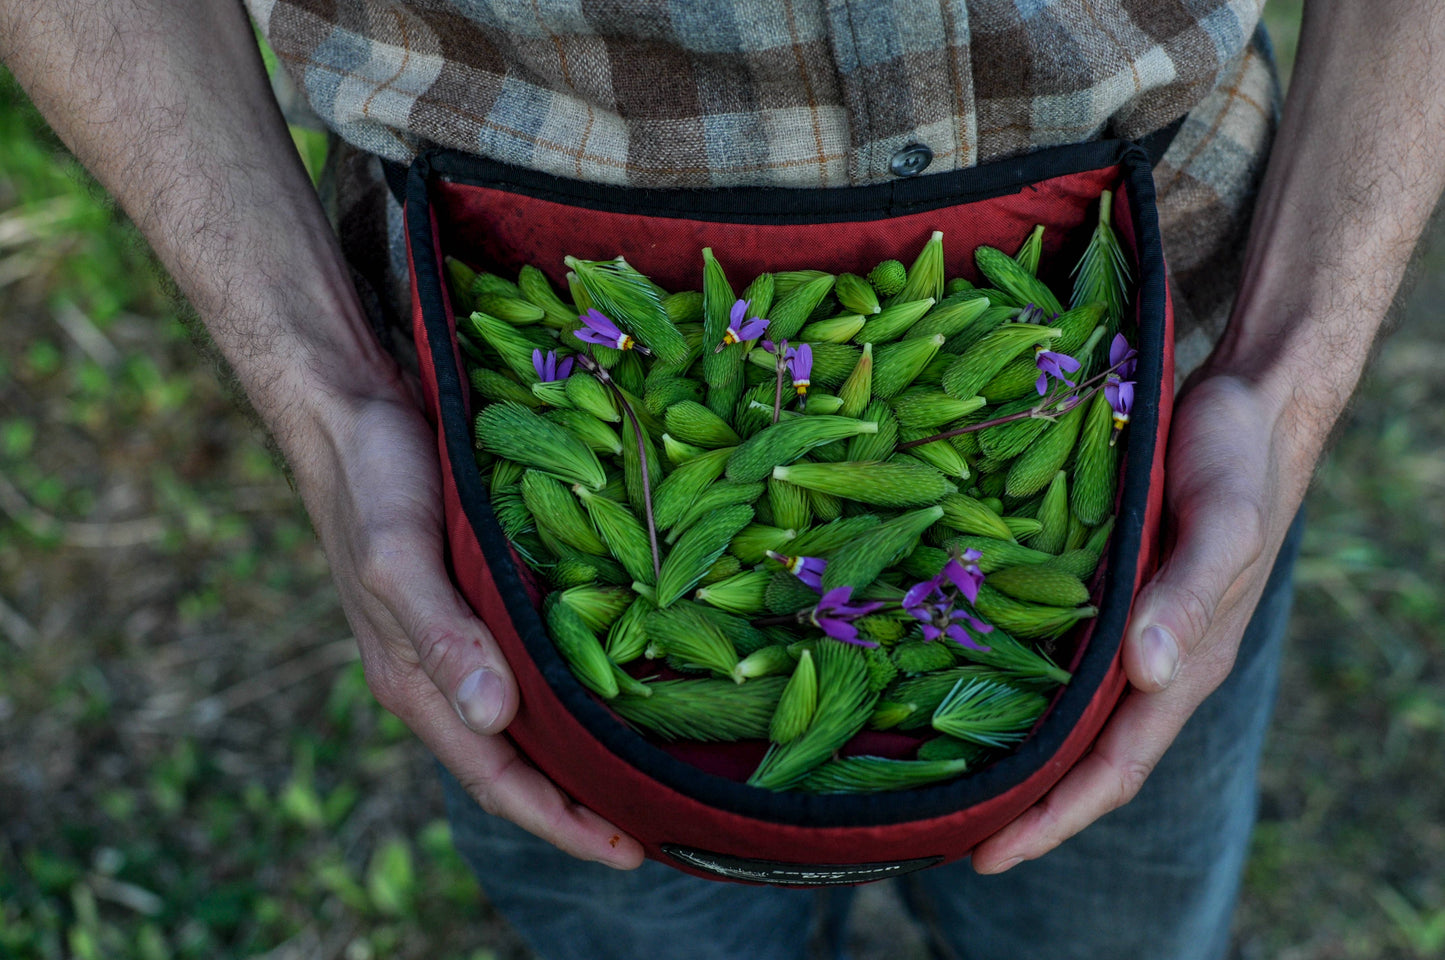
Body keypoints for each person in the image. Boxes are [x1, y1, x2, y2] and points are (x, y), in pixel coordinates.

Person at [2, 2, 1441, 958]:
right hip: (503, 437)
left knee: (1114, 924)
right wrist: (322, 396)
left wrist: (1284, 366)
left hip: (1157, 395)